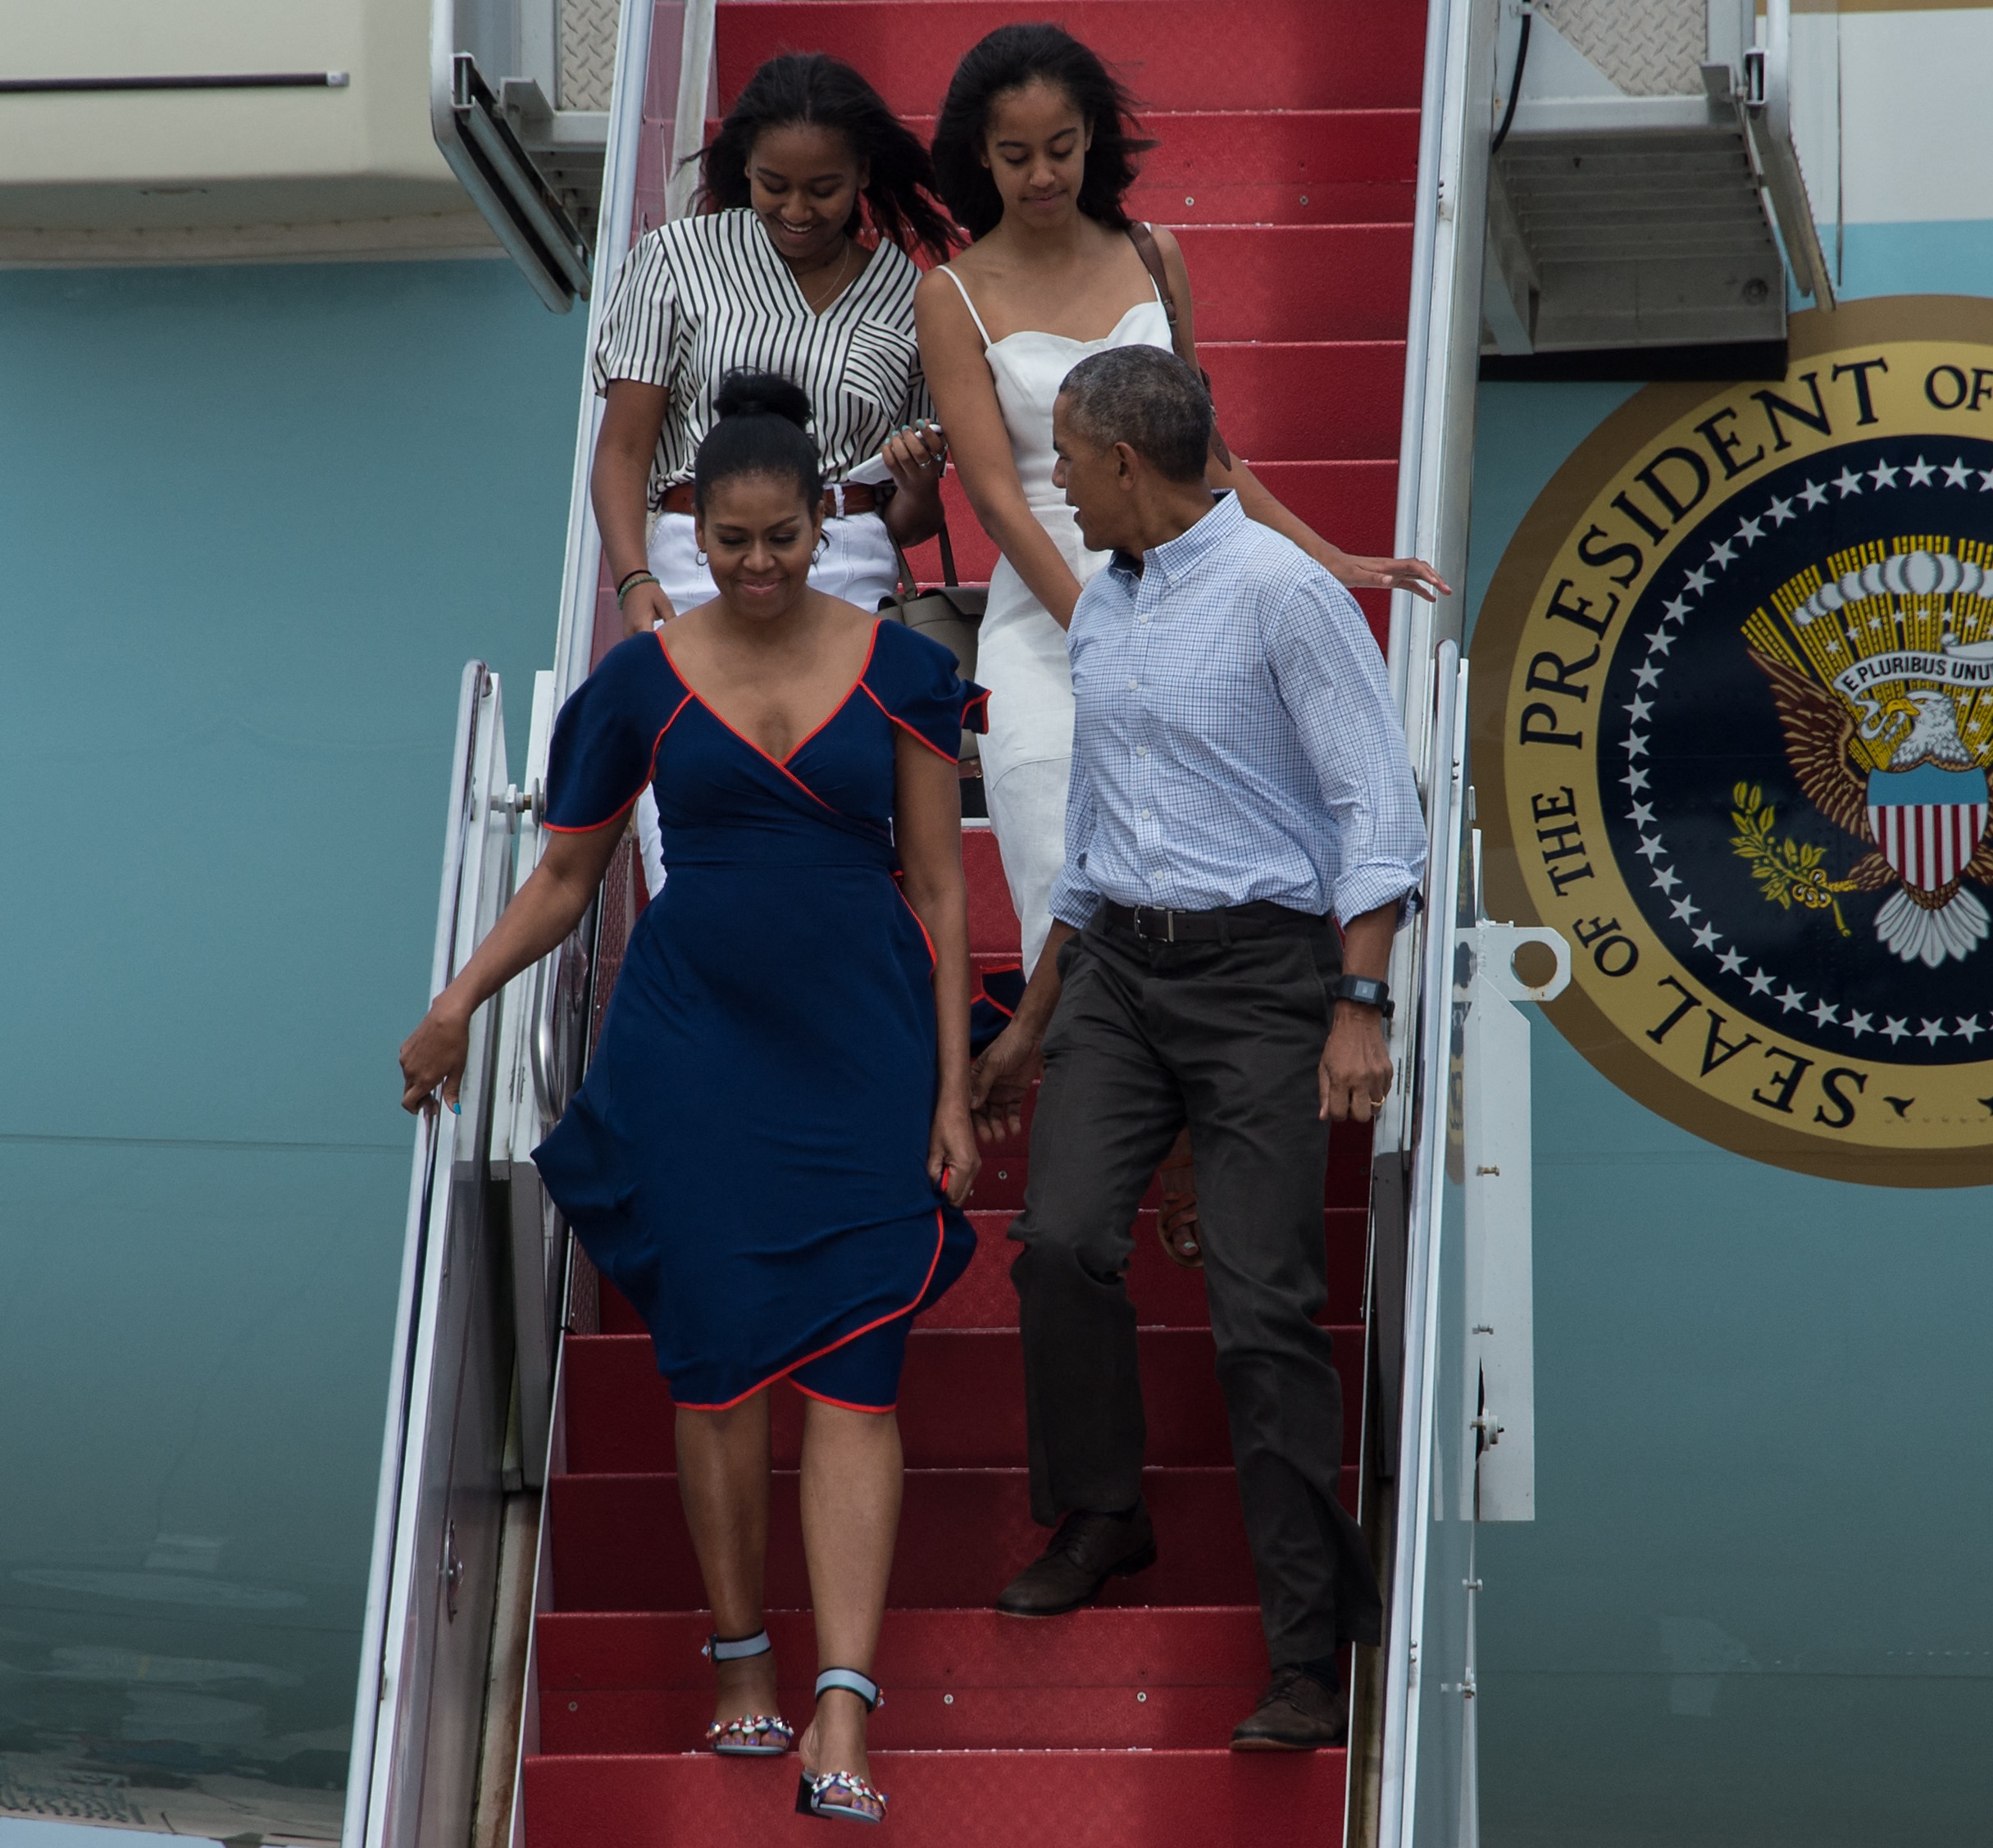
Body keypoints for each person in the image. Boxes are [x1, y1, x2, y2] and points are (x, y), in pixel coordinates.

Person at [400, 373, 984, 1825]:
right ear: (689, 531)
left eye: (780, 537)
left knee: (857, 1367)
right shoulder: (636, 685)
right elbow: (563, 876)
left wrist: (956, 1085)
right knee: (716, 1366)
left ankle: (842, 1690)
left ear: (818, 521)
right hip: (693, 1050)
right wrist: (460, 999)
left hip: (861, 1046)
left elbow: (937, 881)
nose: (757, 565)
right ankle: (741, 1654)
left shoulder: (904, 668)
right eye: (728, 541)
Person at [967, 347, 1426, 1750]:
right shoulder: (1100, 606)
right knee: (1057, 1240)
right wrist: (1029, 1027)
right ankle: (1104, 1511)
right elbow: (1096, 848)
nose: (1054, 479)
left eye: (1065, 453)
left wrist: (1360, 1004)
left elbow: (1379, 809)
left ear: (1123, 463)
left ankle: (1306, 1649)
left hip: (1262, 982)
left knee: (1263, 1310)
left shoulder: (1284, 595)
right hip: (1117, 968)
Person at [916, 22, 1445, 981]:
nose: (1044, 175)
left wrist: (1331, 560)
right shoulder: (952, 292)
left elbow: (1206, 453)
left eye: (1063, 149)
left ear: (1094, 139)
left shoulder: (1156, 254)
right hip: (1049, 621)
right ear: (978, 156)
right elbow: (995, 500)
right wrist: (1099, 630)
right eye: (1016, 155)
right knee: (1057, 878)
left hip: (1205, 600)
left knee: (1209, 870)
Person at [591, 49, 961, 896]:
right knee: (694, 812)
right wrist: (633, 576)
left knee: (844, 823)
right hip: (697, 556)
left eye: (824, 187)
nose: (797, 209)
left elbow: (913, 521)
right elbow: (622, 449)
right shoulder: (678, 257)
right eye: (773, 184)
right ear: (744, 165)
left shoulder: (911, 292)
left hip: (852, 562)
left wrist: (917, 479)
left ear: (865, 170)